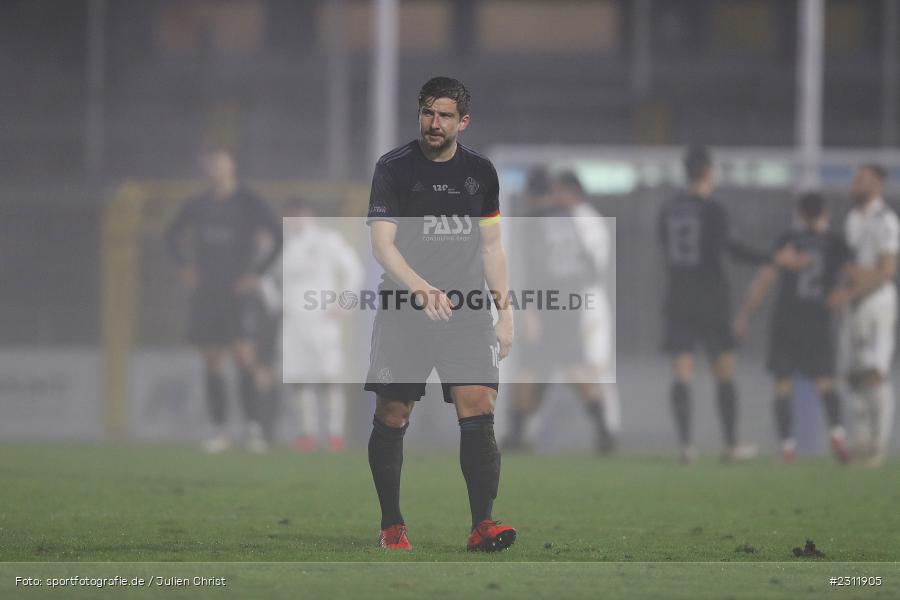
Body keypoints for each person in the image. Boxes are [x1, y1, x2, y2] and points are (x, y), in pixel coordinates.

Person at [364, 76, 516, 552]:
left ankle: (482, 525)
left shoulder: (481, 173)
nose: (434, 123)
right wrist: (421, 289)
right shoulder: (393, 168)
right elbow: (382, 245)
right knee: (392, 412)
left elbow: (492, 248)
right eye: (428, 113)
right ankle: (392, 525)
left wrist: (505, 313)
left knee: (480, 404)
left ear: (462, 121)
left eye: (445, 116)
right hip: (404, 309)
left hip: (466, 312)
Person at [658, 146, 786, 463]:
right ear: (707, 171)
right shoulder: (713, 210)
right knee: (724, 370)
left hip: (678, 296)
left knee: (682, 371)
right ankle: (730, 444)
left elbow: (665, 246)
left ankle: (686, 446)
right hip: (710, 297)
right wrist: (772, 258)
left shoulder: (668, 209)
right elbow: (731, 248)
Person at [165, 147, 282, 452]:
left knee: (244, 357)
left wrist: (257, 273)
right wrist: (185, 267)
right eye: (211, 164)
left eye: (221, 163)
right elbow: (171, 236)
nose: (216, 168)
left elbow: (278, 236)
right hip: (206, 293)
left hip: (237, 292)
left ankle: (254, 429)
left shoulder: (249, 201)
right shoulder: (198, 204)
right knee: (212, 360)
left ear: (232, 166)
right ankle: (220, 430)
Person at [503, 170, 619, 454]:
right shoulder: (568, 218)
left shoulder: (533, 222)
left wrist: (530, 310)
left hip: (546, 302)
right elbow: (588, 262)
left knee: (528, 369)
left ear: (530, 194)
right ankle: (603, 429)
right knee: (573, 364)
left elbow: (534, 267)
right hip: (572, 300)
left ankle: (516, 434)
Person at [733, 192, 852, 463]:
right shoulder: (835, 243)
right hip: (818, 319)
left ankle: (787, 445)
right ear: (826, 212)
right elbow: (851, 275)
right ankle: (838, 434)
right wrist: (844, 294)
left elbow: (766, 277)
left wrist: (745, 314)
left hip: (786, 320)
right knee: (825, 382)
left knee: (783, 385)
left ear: (799, 213)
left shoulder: (789, 240)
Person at [281, 197, 363, 452]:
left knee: (329, 376)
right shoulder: (285, 245)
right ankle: (307, 433)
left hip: (322, 320)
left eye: (297, 214)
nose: (294, 221)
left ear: (308, 213)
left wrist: (345, 304)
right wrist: (278, 304)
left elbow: (353, 270)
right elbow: (271, 281)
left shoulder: (328, 240)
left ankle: (334, 434)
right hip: (294, 323)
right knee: (299, 378)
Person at [837, 165, 898, 467]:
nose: (854, 184)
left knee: (876, 370)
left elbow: (887, 270)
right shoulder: (851, 219)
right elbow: (851, 263)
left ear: (877, 184)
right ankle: (861, 441)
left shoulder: (886, 220)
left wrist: (854, 289)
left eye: (860, 179)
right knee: (854, 373)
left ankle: (878, 444)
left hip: (877, 301)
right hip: (854, 301)